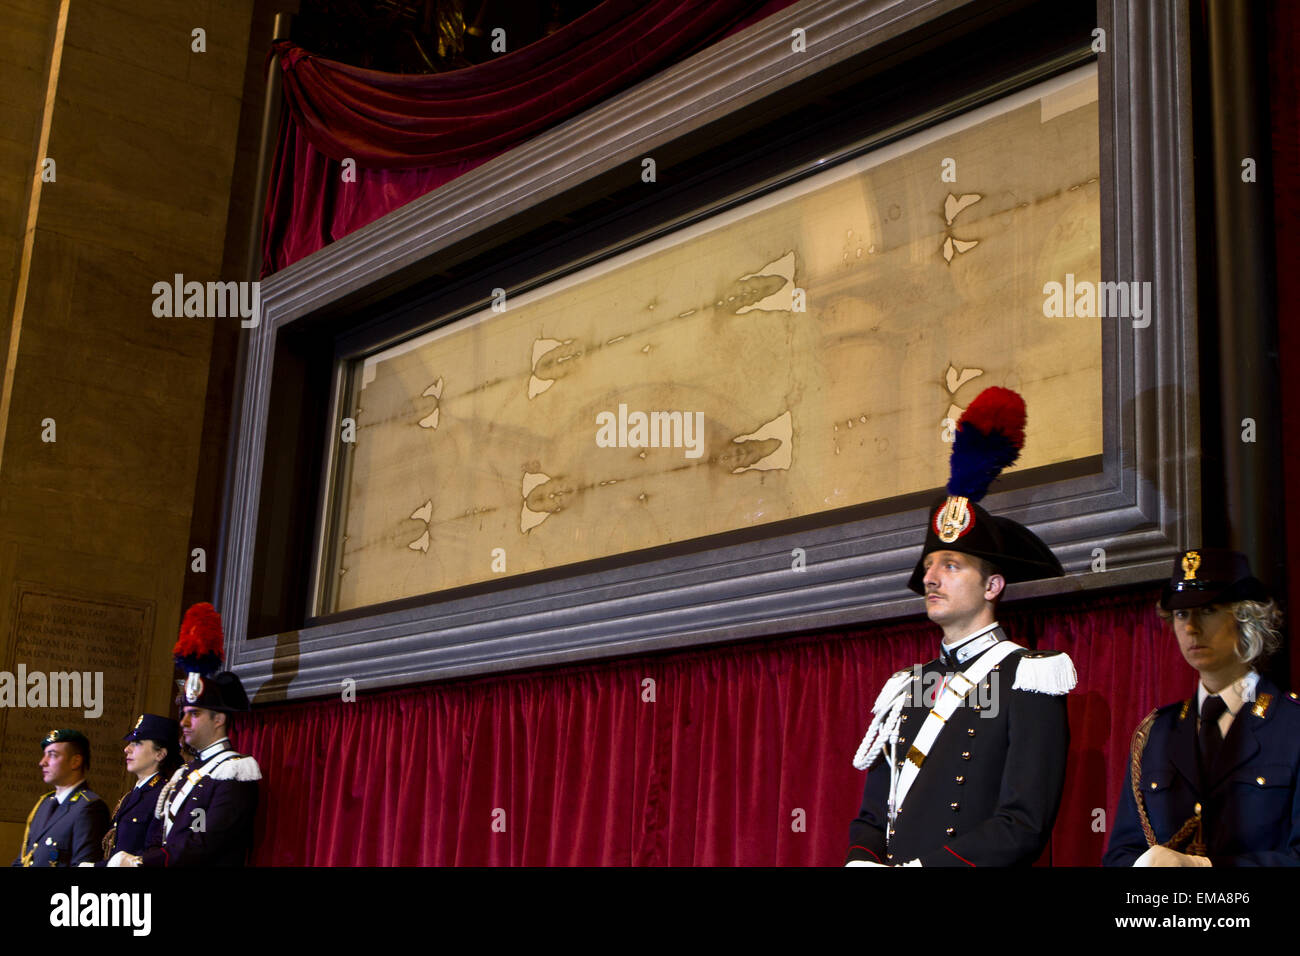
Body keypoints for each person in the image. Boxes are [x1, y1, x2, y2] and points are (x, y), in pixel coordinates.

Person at [846, 387, 1076, 866]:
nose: (930, 578)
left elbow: (1023, 823)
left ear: (992, 585)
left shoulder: (1029, 677)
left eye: (951, 564)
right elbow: (874, 812)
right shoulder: (912, 685)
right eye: (930, 564)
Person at [1104, 548, 1299, 866]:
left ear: (1244, 617)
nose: (1191, 627)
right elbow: (1121, 853)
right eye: (1181, 614)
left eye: (1207, 610)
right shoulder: (1157, 733)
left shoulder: (1292, 726)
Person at [109, 603, 262, 867]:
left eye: (195, 714)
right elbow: (159, 837)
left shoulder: (235, 771)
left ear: (219, 719)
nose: (184, 722)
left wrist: (140, 864)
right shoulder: (184, 773)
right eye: (184, 713)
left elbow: (205, 843)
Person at [12, 729, 108, 866]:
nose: (42, 762)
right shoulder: (44, 803)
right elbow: (23, 860)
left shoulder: (89, 808)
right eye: (44, 755)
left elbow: (83, 865)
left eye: (52, 755)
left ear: (75, 761)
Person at [96, 713, 182, 864]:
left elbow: (153, 853)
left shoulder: (162, 797)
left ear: (160, 754)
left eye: (137, 743)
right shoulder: (129, 797)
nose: (126, 749)